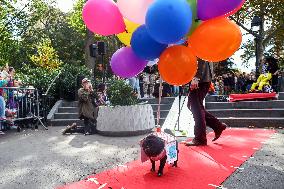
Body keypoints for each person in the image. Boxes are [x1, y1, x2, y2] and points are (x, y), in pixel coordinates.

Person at [185, 59, 227, 146]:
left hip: (201, 79)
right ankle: (217, 126)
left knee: (196, 108)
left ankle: (200, 138)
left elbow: (202, 58)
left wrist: (196, 77)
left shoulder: (197, 45)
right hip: (202, 79)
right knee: (194, 106)